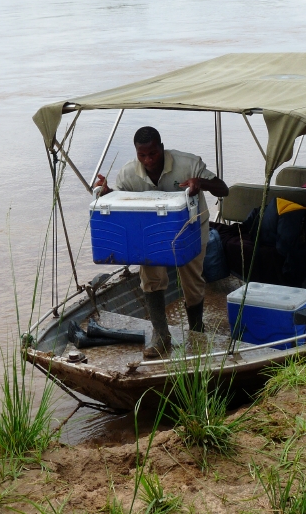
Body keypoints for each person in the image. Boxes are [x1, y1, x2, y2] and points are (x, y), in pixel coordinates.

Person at [95, 126, 229, 358]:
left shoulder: (189, 163)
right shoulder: (128, 174)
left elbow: (223, 189)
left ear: (162, 148)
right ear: (136, 153)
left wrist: (200, 182)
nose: (148, 160)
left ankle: (197, 329)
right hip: (151, 233)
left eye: (153, 154)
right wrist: (107, 193)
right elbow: (121, 203)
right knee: (150, 278)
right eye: (142, 155)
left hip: (190, 230)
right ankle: (160, 334)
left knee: (192, 280)